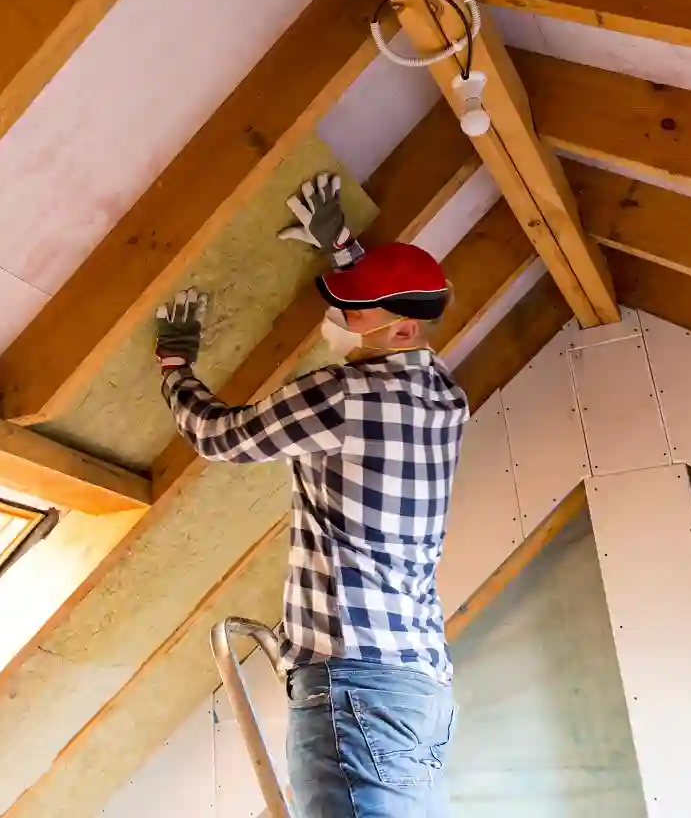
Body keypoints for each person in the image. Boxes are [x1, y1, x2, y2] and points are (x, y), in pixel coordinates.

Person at [154, 173, 469, 818]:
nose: (338, 321)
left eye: (354, 312)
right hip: (417, 688)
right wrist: (346, 253)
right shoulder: (445, 397)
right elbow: (396, 309)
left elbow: (220, 437)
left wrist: (174, 370)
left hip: (355, 687)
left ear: (402, 332)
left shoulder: (343, 396)